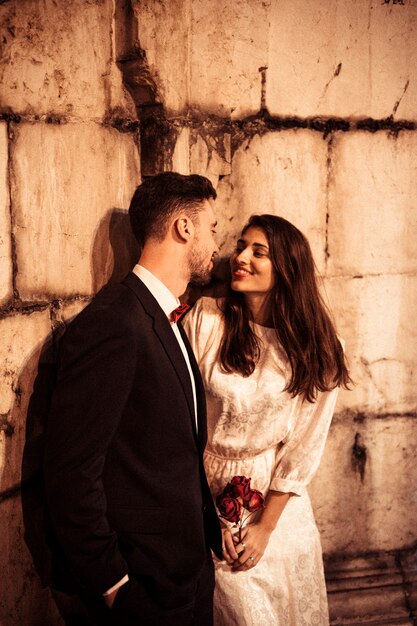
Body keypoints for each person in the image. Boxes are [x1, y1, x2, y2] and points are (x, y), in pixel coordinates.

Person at [43, 172, 223, 626]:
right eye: (212, 228)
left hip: (189, 573)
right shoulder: (114, 322)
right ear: (184, 227)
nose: (218, 241)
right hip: (144, 588)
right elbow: (71, 470)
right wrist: (114, 587)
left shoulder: (167, 315)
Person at [183, 214, 351, 625]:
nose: (240, 257)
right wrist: (206, 517)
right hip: (202, 491)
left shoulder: (319, 347)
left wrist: (265, 528)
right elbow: (177, 418)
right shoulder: (206, 321)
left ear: (288, 269)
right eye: (241, 246)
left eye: (259, 252)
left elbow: (304, 447)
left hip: (276, 505)